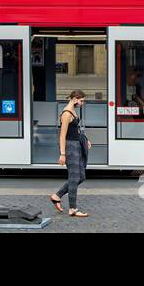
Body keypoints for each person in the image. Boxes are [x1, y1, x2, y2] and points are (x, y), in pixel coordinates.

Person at [50, 90, 90, 218]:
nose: (82, 103)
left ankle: (57, 196)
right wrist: (62, 154)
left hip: (77, 145)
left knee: (81, 176)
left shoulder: (74, 111)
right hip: (70, 147)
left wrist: (85, 139)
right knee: (74, 177)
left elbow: (76, 130)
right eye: (81, 101)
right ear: (74, 99)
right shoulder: (66, 114)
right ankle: (73, 208)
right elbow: (62, 135)